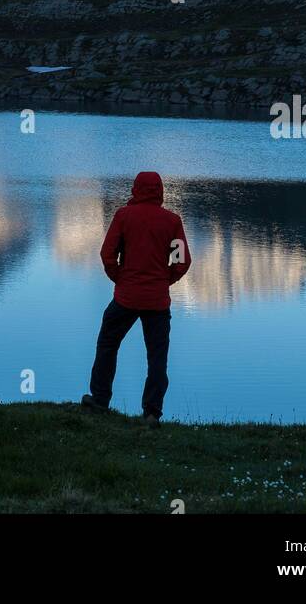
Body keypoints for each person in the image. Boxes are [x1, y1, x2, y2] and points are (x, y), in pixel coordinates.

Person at [82, 171, 191, 426]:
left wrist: (120, 279)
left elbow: (107, 254)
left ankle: (100, 399)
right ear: (160, 191)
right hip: (157, 301)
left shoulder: (124, 216)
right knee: (157, 356)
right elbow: (181, 261)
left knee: (108, 344)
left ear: (136, 189)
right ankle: (152, 412)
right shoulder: (171, 221)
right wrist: (165, 281)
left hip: (126, 298)